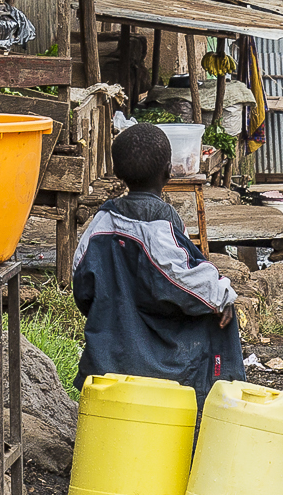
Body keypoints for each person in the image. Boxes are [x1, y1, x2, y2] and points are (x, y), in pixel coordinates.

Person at [71, 124, 244, 405]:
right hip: (160, 361)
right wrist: (222, 294)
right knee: (223, 309)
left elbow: (81, 286)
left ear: (117, 173)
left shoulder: (100, 222)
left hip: (108, 354)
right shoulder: (159, 224)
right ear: (168, 171)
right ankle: (215, 402)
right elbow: (183, 280)